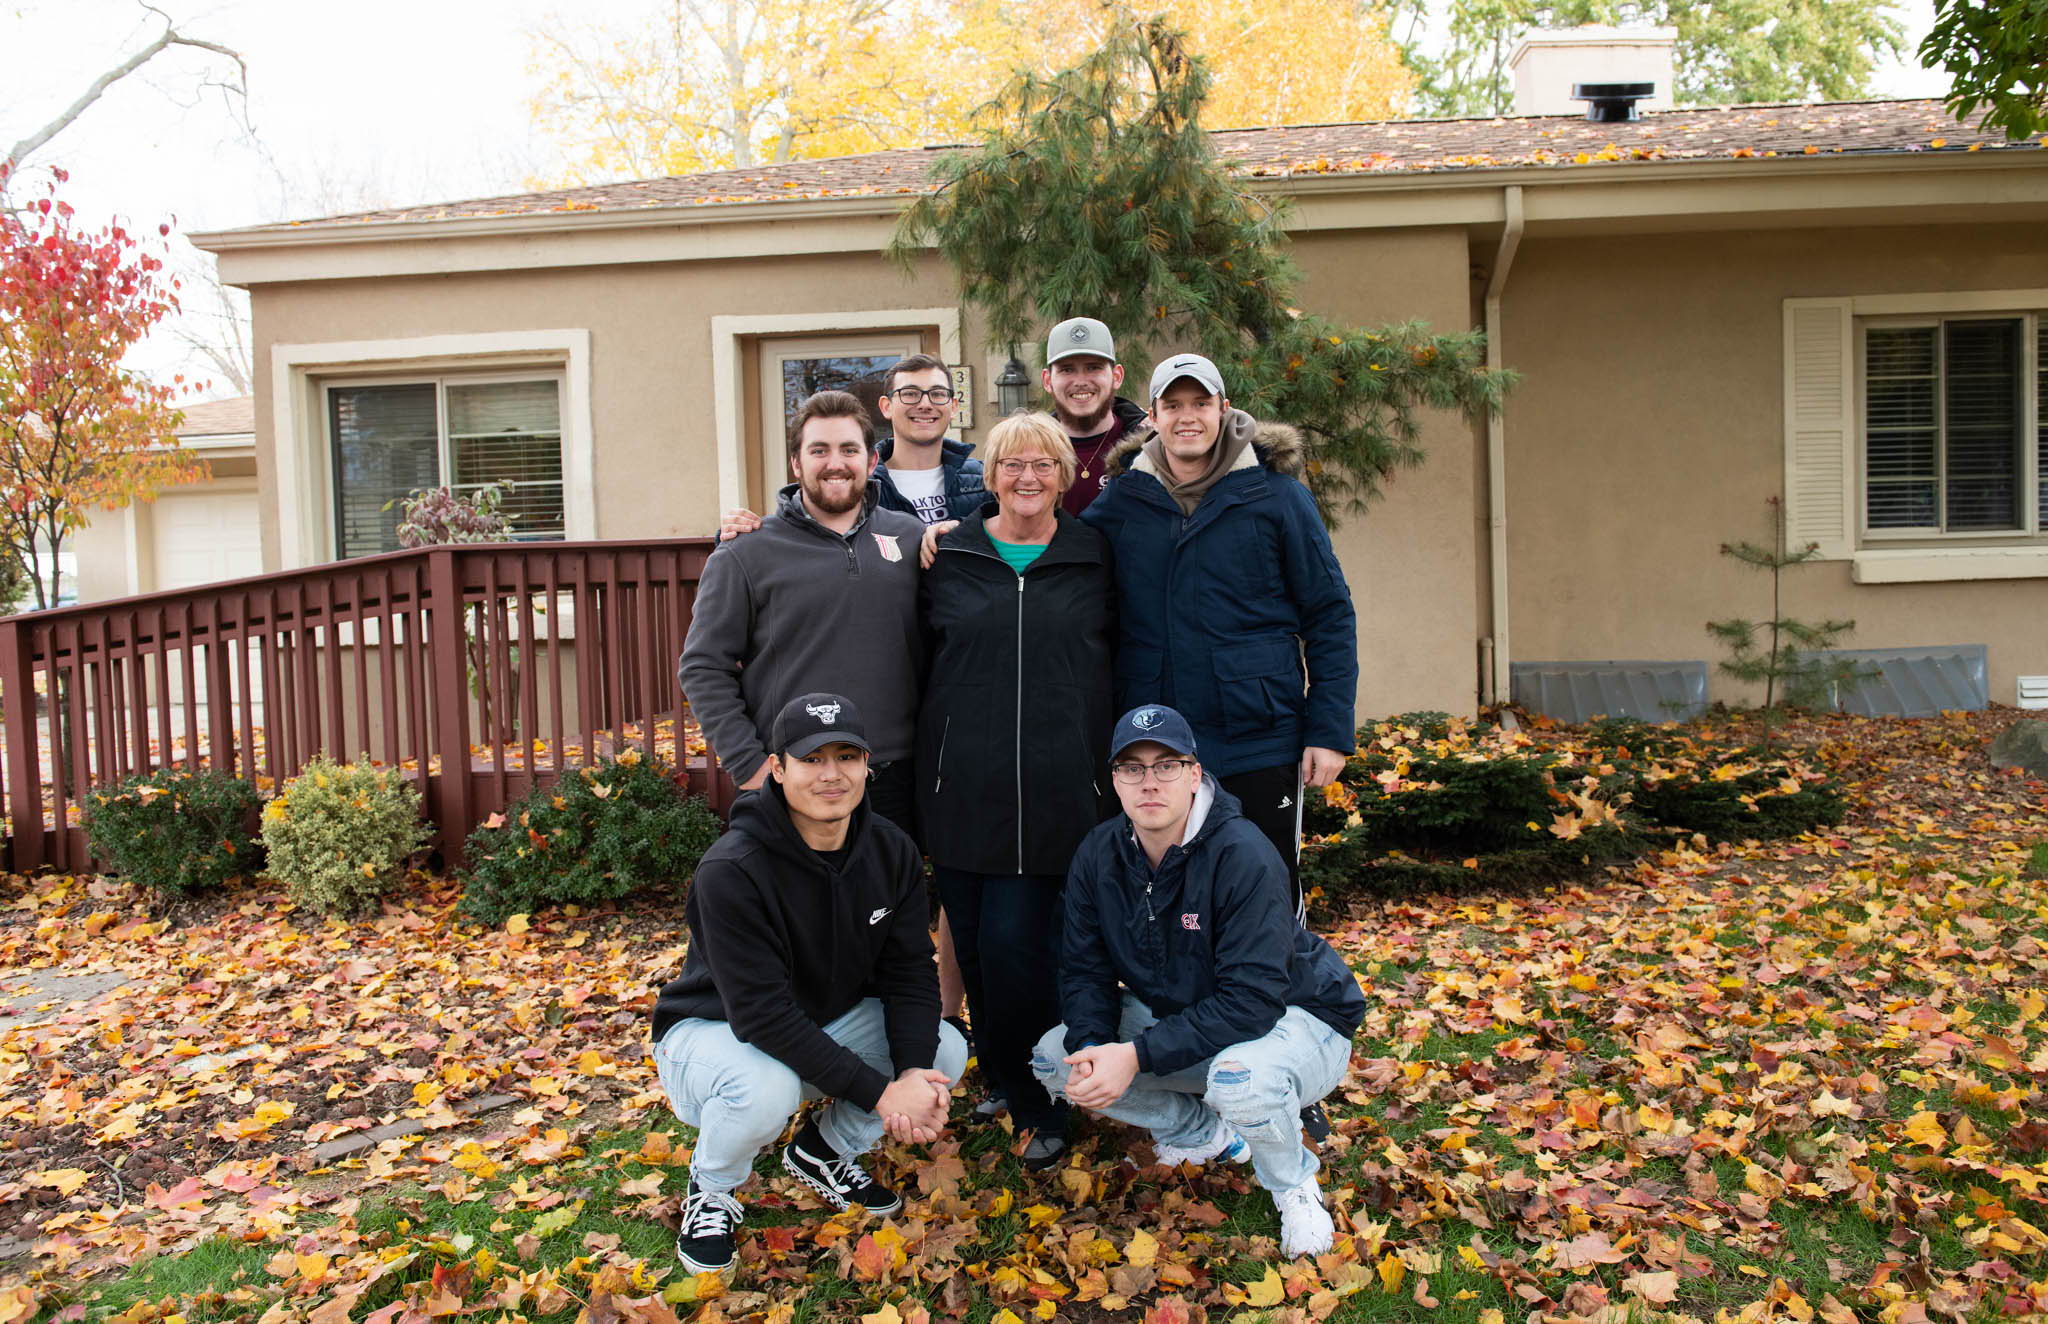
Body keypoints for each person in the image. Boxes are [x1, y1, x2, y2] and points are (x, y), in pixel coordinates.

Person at [650, 693, 970, 1281]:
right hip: (713, 1033)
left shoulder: (890, 849)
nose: (832, 774)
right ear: (777, 768)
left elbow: (910, 972)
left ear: (867, 767)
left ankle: (823, 1151)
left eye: (847, 756)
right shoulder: (732, 870)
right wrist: (882, 1095)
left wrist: (909, 1075)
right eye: (811, 758)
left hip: (819, 1021)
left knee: (944, 1048)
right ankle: (712, 1186)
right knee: (765, 1087)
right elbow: (762, 1016)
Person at [1032, 705, 1364, 1258]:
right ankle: (1207, 1135)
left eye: (1168, 765)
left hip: (1301, 1019)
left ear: (1194, 774)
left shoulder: (1243, 853)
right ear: (1113, 780)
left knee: (1241, 1081)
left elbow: (1252, 1001)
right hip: (1191, 1017)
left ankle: (1294, 1185)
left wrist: (1135, 1056)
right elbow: (1085, 968)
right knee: (1056, 1060)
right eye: (1132, 769)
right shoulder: (1099, 852)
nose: (1150, 782)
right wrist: (1094, 1045)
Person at [1078, 352, 1358, 894]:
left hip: (1258, 735)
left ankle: (1267, 983)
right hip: (1155, 743)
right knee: (1167, 895)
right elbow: (1057, 567)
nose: (1188, 417)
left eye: (1201, 403)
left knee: (1264, 889)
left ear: (1224, 410)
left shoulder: (1279, 499)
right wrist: (965, 534)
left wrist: (1329, 730)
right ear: (1152, 418)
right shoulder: (1119, 506)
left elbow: (1329, 615)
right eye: (1173, 404)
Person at [917, 412, 1115, 1169]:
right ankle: (1012, 1082)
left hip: (1069, 792)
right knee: (985, 946)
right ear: (989, 475)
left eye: (1043, 465)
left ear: (1065, 476)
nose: (1027, 478)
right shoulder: (948, 555)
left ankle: (1054, 1089)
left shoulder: (1096, 556)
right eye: (1011, 465)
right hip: (966, 790)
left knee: (1054, 950)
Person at [678, 389, 926, 831]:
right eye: (819, 450)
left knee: (888, 901)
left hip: (897, 779)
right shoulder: (746, 553)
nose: (835, 463)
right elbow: (703, 667)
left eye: (849, 449)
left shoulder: (911, 539)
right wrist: (753, 771)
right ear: (796, 463)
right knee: (793, 902)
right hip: (794, 777)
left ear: (871, 462)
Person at [1041, 317, 1149, 515]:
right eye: (1067, 369)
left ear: (1117, 376)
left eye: (1093, 367)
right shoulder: (1028, 452)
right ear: (1047, 381)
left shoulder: (1151, 450)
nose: (1081, 381)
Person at [872, 353, 985, 525]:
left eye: (938, 394)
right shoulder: (864, 485)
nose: (925, 404)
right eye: (910, 393)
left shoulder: (983, 479)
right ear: (886, 407)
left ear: (953, 406)